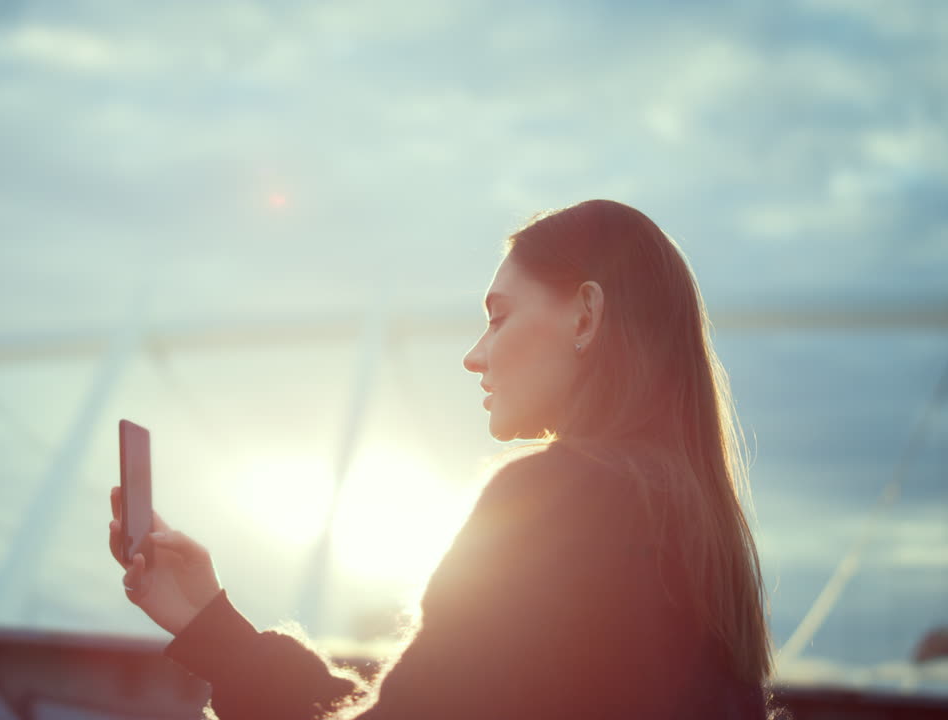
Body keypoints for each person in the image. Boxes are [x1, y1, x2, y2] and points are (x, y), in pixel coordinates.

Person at [108, 199, 792, 719]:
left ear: (585, 318)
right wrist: (209, 626)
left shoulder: (558, 497)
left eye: (498, 317)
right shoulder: (701, 534)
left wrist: (216, 637)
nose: (474, 355)